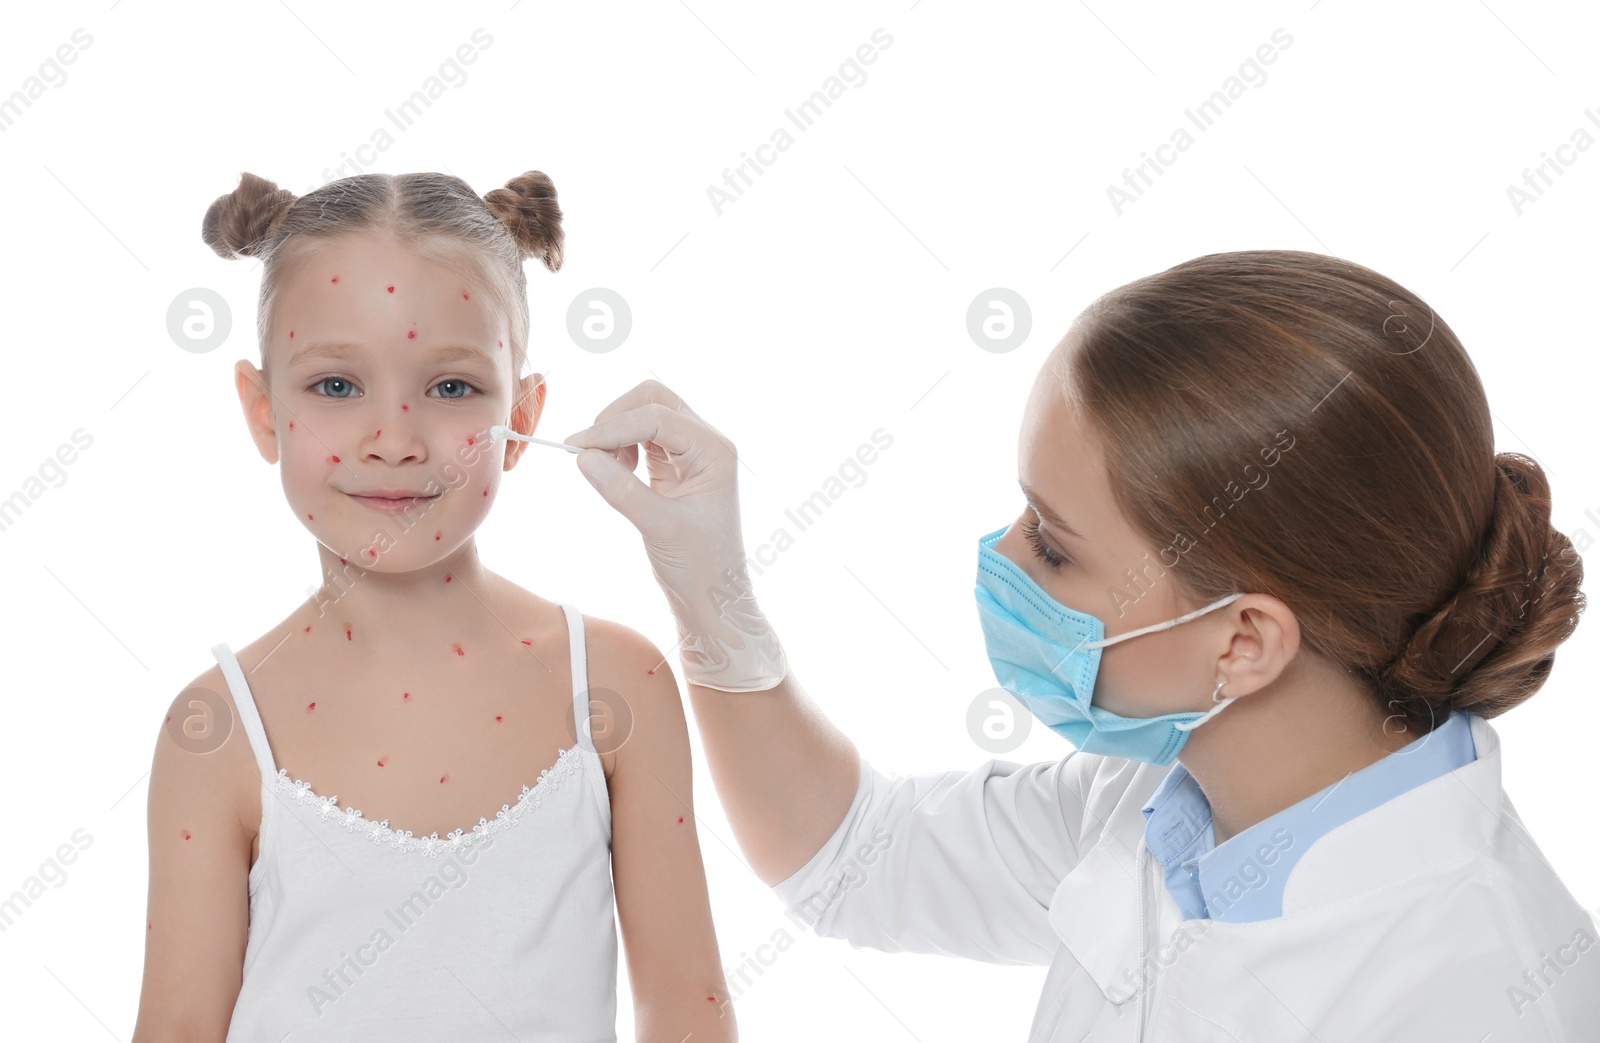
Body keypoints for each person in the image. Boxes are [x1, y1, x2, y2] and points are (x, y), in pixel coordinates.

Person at [558, 250, 1599, 1041]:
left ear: (1241, 640)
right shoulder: (1167, 803)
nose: (1002, 558)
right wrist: (713, 594)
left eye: (1052, 548)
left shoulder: (1480, 988)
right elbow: (854, 860)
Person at [133, 170, 733, 1042]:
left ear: (523, 415)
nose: (397, 439)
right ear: (264, 413)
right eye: (337, 386)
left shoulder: (617, 687)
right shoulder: (219, 727)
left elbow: (688, 1009)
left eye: (452, 388)